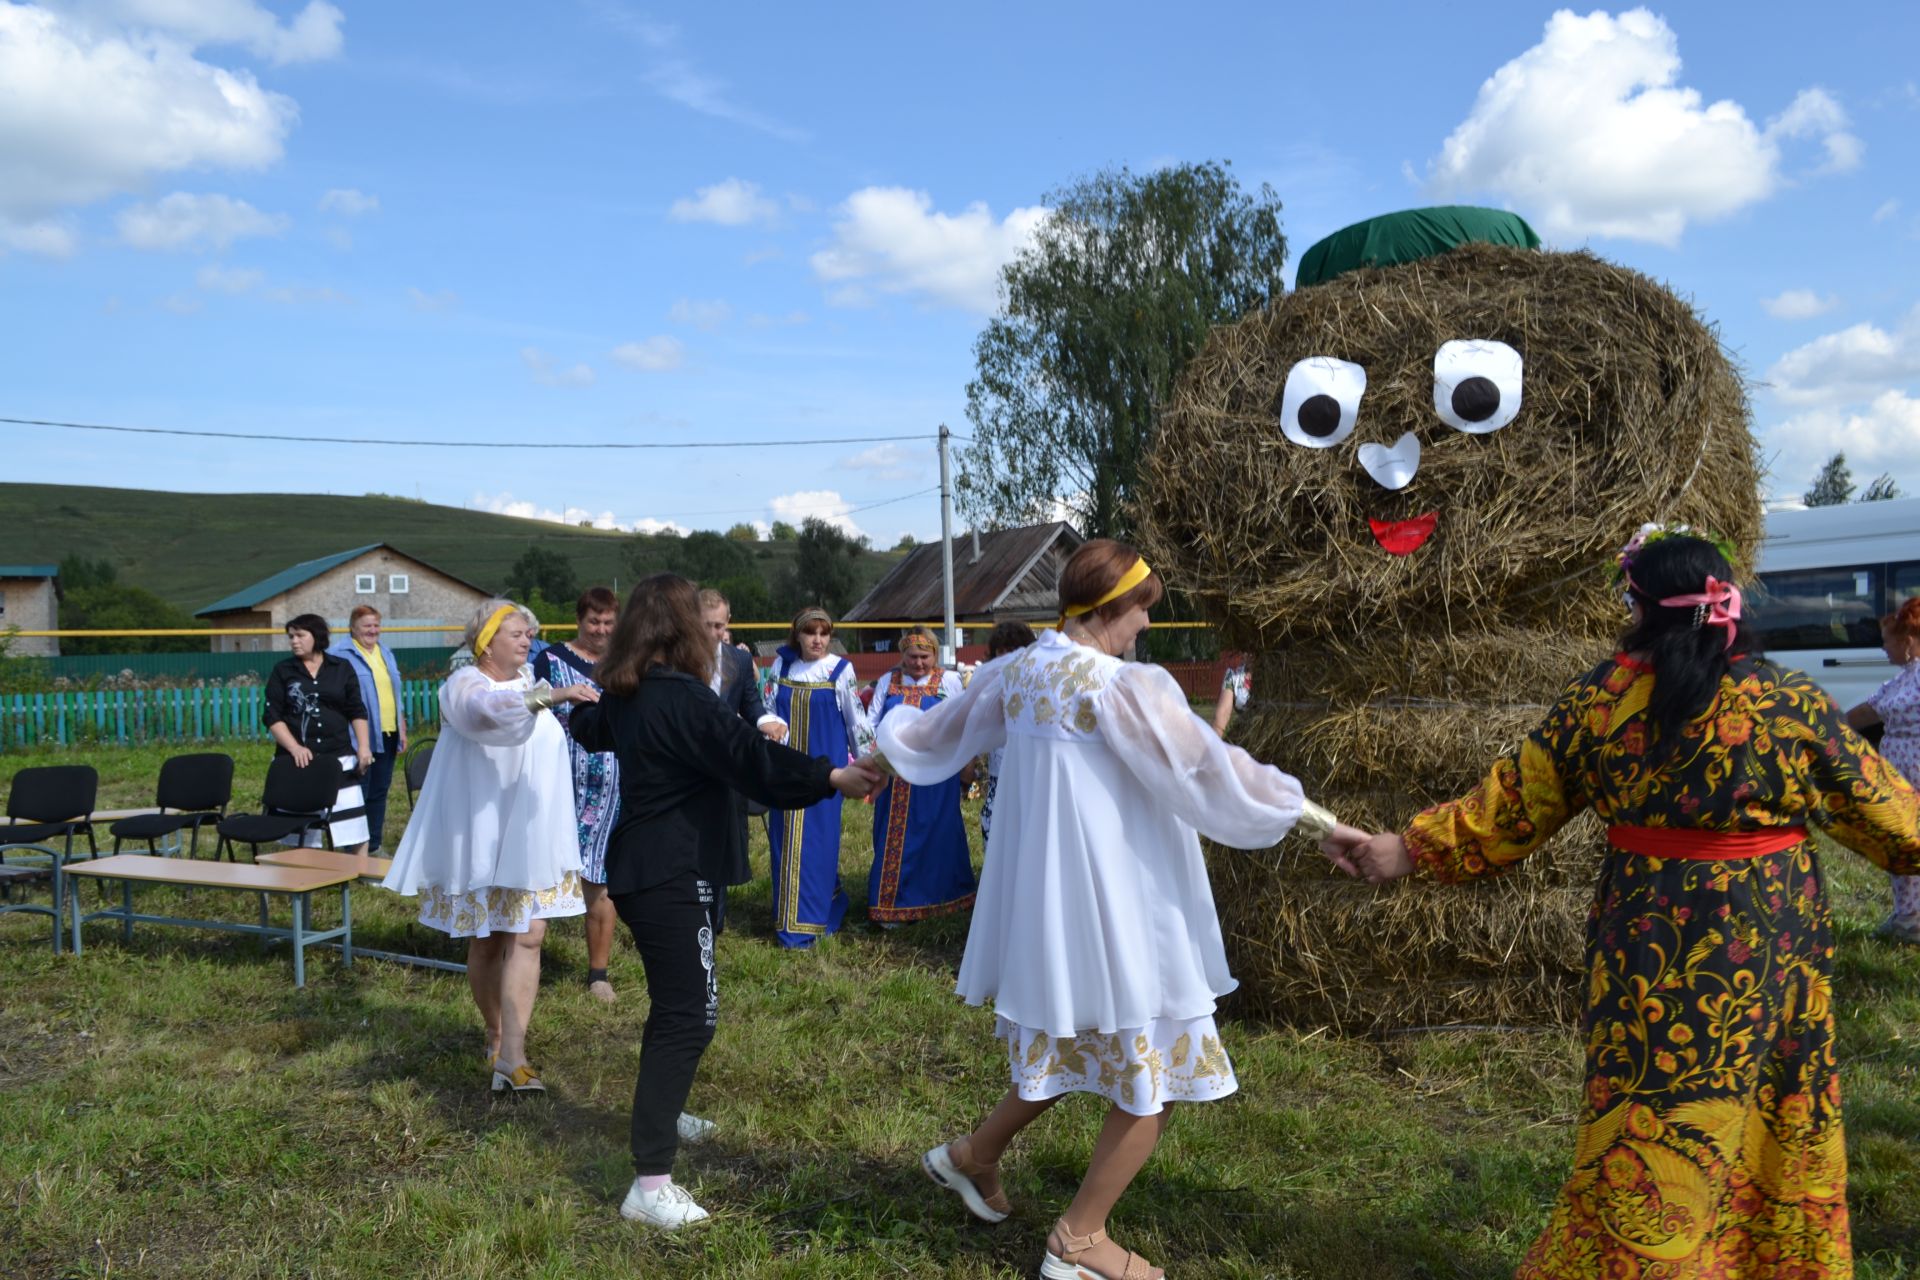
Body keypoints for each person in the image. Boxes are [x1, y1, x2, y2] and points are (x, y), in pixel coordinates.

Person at [1323, 531, 1920, 1277]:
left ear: (1637, 609)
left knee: (1649, 1108)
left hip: (1644, 944)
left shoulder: (1601, 699)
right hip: (1769, 947)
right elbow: (1898, 826)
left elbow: (1510, 808)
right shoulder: (1787, 702)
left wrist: (1400, 849)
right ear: (1729, 605)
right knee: (1772, 1104)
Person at [876, 540, 1350, 1280]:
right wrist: (1318, 821)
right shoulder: (1120, 687)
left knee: (1075, 1051)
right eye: (1141, 611)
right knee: (1152, 1079)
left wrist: (866, 763)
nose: (1146, 627)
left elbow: (937, 731)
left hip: (1057, 911)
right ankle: (1079, 1242)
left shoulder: (1019, 669)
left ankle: (972, 1157)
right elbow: (1210, 767)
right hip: (1128, 907)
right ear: (1108, 609)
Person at [567, 574, 881, 1229]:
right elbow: (752, 760)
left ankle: (668, 1108)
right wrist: (831, 775)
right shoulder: (682, 697)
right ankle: (650, 1184)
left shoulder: (631, 693)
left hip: (643, 868)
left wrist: (572, 705)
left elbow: (592, 726)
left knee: (677, 1005)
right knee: (691, 1014)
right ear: (684, 631)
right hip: (670, 873)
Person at [381, 598, 598, 1095]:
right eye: (518, 633)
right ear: (487, 640)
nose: (528, 640)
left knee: (530, 934)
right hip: (482, 833)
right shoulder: (463, 686)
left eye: (530, 633)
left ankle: (514, 1055)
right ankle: (496, 1033)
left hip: (528, 835)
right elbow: (486, 714)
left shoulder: (529, 686)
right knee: (489, 939)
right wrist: (552, 696)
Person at [532, 587, 623, 1002]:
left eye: (608, 623)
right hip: (558, 785)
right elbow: (524, 703)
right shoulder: (550, 659)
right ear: (578, 620)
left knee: (600, 879)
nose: (601, 631)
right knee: (545, 876)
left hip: (611, 787)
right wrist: (561, 694)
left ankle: (598, 974)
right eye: (593, 622)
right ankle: (525, 955)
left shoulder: (625, 662)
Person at [765, 605, 871, 947]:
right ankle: (790, 919)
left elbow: (856, 719)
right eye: (811, 632)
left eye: (824, 634)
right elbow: (766, 711)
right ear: (797, 634)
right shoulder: (781, 665)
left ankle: (812, 919)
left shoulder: (840, 670)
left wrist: (870, 765)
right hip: (786, 769)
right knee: (784, 843)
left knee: (819, 842)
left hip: (828, 774)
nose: (818, 640)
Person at [863, 625, 977, 926]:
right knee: (893, 836)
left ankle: (944, 901)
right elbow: (869, 722)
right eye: (912, 656)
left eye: (924, 657)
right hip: (895, 777)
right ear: (902, 655)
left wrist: (966, 765)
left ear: (934, 655)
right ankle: (892, 906)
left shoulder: (950, 681)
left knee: (939, 833)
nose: (918, 663)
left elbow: (965, 722)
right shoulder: (888, 681)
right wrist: (872, 757)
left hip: (937, 777)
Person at [697, 588, 787, 933]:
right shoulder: (673, 659)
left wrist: (769, 724)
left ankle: (714, 921)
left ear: (729, 621)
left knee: (722, 845)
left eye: (720, 626)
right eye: (706, 626)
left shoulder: (737, 660)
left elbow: (752, 707)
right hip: (686, 772)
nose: (714, 633)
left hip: (726, 771)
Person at [1845, 596, 1920, 945]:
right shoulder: (1903, 679)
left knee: (1906, 841)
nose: (1883, 649)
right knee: (1903, 841)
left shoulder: (1913, 681)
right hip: (1901, 777)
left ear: (1906, 641)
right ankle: (1907, 915)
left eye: (1887, 641)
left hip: (1912, 777)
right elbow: (1867, 711)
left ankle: (1910, 918)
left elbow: (1871, 712)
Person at [263, 613, 373, 852]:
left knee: (352, 821)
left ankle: (359, 873)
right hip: (298, 759)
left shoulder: (341, 668)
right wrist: (294, 748)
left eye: (300, 635)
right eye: (291, 636)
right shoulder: (283, 671)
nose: (294, 641)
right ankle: (305, 873)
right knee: (300, 824)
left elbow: (356, 710)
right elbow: (272, 716)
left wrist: (363, 747)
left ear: (317, 636)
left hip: (339, 754)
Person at [329, 605, 407, 852]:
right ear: (353, 627)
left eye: (376, 625)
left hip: (388, 732)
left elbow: (395, 693)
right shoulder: (339, 654)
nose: (373, 631)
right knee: (356, 791)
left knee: (379, 791)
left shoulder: (385, 652)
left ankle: (374, 844)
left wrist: (401, 726)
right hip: (357, 736)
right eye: (367, 626)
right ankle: (352, 847)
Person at [978, 621, 1036, 847]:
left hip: (1028, 772)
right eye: (1001, 652)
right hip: (997, 773)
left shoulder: (1037, 682)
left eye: (1013, 651)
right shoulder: (986, 682)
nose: (1006, 658)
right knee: (993, 828)